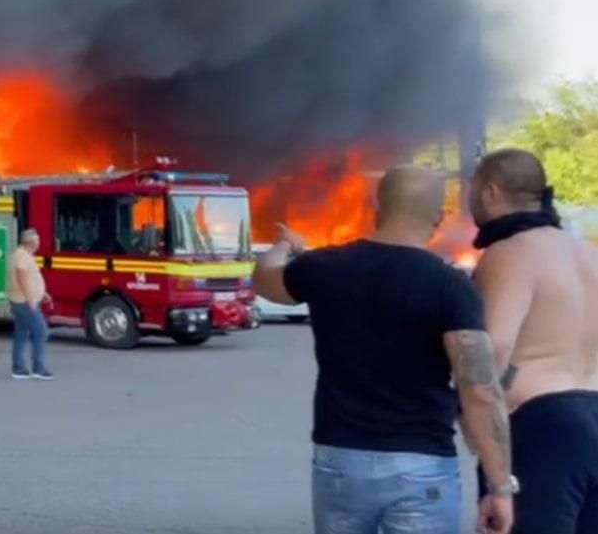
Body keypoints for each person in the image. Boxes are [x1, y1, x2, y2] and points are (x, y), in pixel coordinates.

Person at [254, 165, 514, 534]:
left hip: (341, 461)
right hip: (423, 464)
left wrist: (286, 245)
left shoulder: (324, 267)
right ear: (438, 218)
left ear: (377, 210)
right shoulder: (451, 286)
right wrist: (500, 487)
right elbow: (481, 392)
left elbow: (265, 280)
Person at [470, 148, 598, 533]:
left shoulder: (509, 254)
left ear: (490, 192)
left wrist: (477, 416)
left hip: (543, 427)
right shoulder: (586, 254)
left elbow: (492, 351)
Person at [8, 227, 53, 380]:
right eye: (37, 241)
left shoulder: (24, 255)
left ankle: (18, 369)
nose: (39, 243)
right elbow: (22, 277)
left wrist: (42, 294)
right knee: (41, 331)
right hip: (24, 302)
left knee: (21, 335)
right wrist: (31, 298)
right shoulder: (22, 256)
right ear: (31, 242)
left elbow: (31, 278)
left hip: (22, 301)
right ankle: (38, 369)